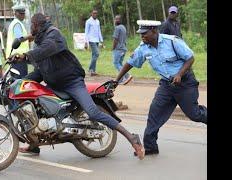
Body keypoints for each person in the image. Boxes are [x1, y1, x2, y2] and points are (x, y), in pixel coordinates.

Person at [12, 13, 145, 160]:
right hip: (54, 85)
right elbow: (40, 72)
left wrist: (25, 56)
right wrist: (19, 82)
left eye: (31, 24)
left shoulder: (53, 35)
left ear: (36, 25)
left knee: (93, 112)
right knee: (32, 103)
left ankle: (132, 138)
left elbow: (48, 48)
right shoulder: (39, 42)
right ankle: (34, 144)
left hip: (72, 83)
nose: (30, 28)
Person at [115, 20, 207, 156]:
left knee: (194, 114)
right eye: (141, 34)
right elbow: (130, 63)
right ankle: (151, 147)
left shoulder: (172, 41)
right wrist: (116, 80)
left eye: (145, 33)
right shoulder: (143, 47)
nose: (142, 36)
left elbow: (190, 58)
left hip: (185, 83)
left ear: (154, 31)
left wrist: (179, 74)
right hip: (166, 85)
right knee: (155, 113)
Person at [6, 4, 33, 79]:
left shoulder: (19, 23)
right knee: (19, 81)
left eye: (23, 13)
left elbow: (24, 40)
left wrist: (31, 37)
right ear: (15, 13)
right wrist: (30, 35)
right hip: (17, 58)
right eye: (21, 13)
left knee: (17, 80)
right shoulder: (16, 24)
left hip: (19, 57)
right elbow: (19, 39)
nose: (23, 15)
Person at [112, 15, 133, 85]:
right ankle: (121, 79)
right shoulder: (123, 27)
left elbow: (115, 39)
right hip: (123, 48)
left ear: (120, 20)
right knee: (120, 64)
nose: (116, 20)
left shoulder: (117, 28)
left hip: (118, 49)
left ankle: (126, 76)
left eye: (118, 19)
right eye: (116, 19)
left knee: (116, 63)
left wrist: (113, 47)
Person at [84, 9, 104, 76]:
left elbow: (99, 31)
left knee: (94, 55)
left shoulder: (98, 21)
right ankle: (90, 69)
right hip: (91, 40)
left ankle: (93, 71)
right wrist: (86, 42)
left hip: (97, 40)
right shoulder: (88, 21)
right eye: (94, 13)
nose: (95, 14)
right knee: (97, 53)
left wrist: (101, 40)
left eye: (96, 13)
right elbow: (86, 32)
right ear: (91, 14)